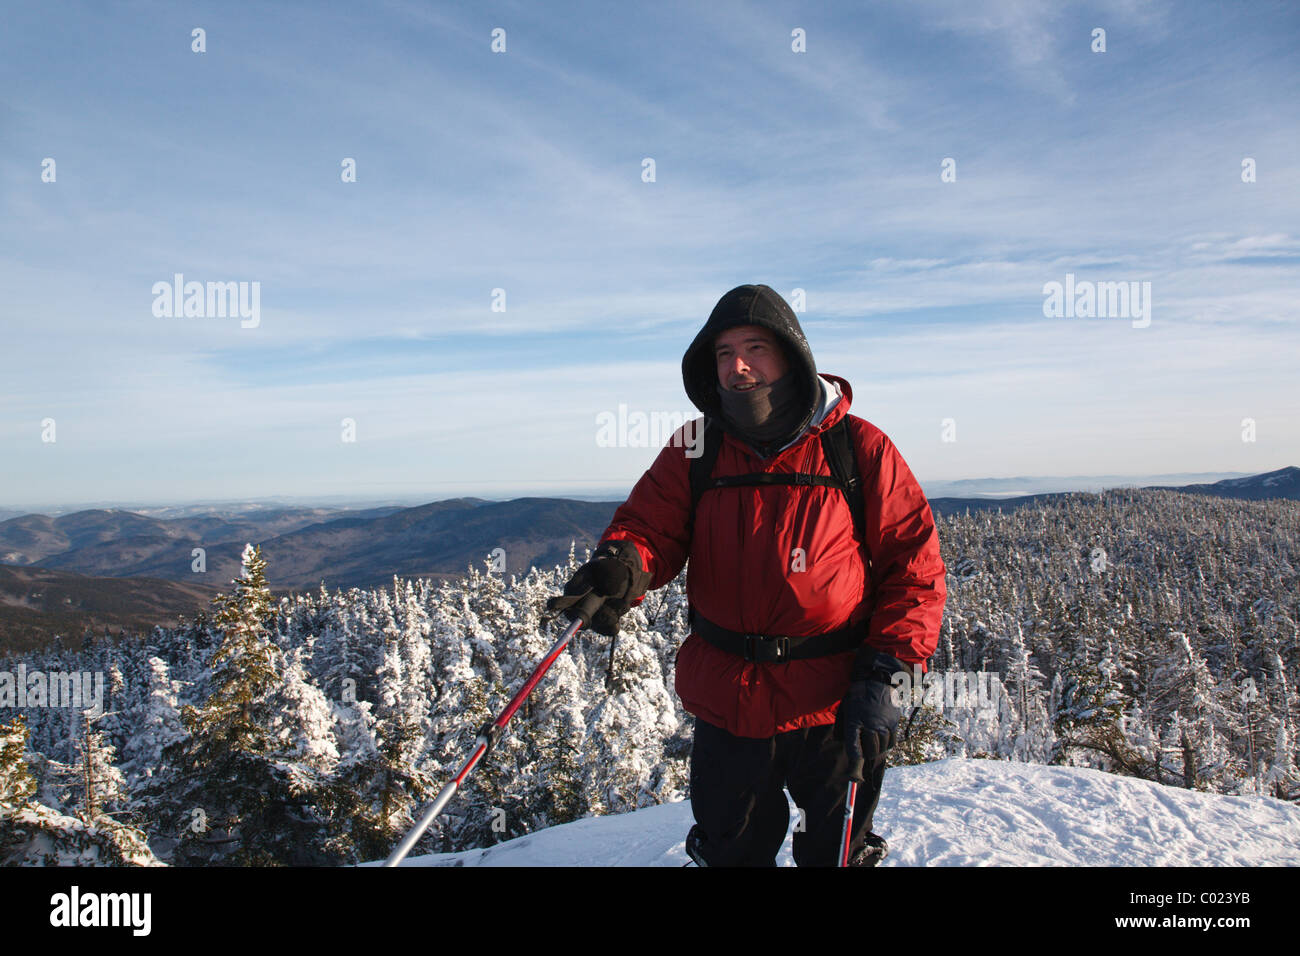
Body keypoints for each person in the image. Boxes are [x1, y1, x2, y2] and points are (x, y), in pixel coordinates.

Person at [550, 284, 946, 866]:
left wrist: (890, 674)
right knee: (733, 853)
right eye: (723, 352)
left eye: (756, 347)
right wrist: (622, 566)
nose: (738, 366)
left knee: (833, 856)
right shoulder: (697, 446)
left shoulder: (857, 447)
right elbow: (650, 527)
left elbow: (913, 571)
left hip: (834, 704)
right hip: (728, 702)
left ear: (792, 354)